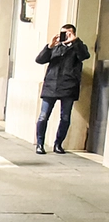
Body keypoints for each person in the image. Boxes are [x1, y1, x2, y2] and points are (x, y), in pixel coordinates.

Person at [35, 24, 91, 154]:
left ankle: (58, 144)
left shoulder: (78, 47)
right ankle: (39, 143)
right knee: (43, 116)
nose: (66, 36)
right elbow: (39, 60)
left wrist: (75, 41)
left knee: (65, 117)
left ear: (74, 34)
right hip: (51, 85)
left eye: (69, 33)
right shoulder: (55, 47)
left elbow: (84, 56)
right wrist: (49, 46)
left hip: (68, 86)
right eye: (63, 33)